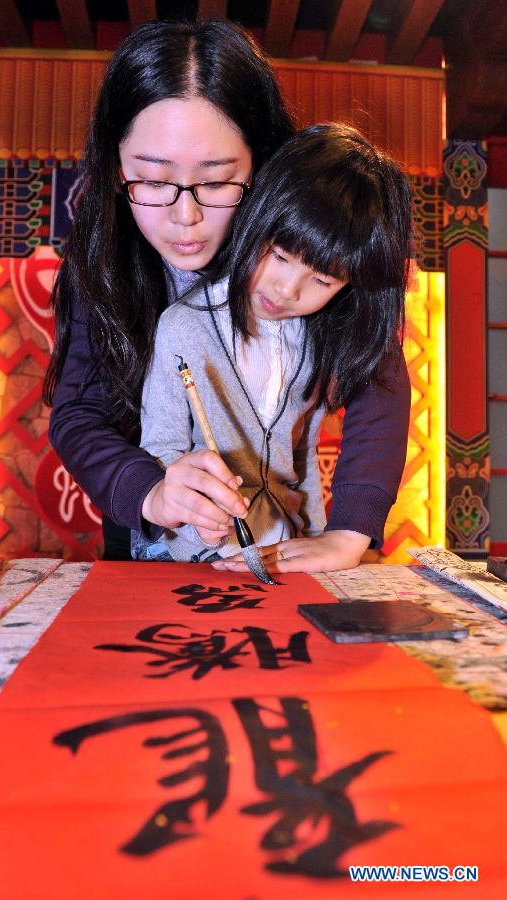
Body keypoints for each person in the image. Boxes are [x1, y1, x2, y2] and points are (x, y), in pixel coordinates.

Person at [44, 20, 411, 572]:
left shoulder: (300, 243)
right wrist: (152, 493)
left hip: (279, 543)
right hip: (153, 547)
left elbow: (376, 382)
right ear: (116, 166)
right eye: (152, 180)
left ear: (262, 165)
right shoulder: (103, 260)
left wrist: (352, 530)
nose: (185, 216)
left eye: (217, 181)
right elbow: (78, 414)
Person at [136, 123, 412, 573]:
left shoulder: (319, 339)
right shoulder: (184, 326)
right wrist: (188, 506)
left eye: (322, 280)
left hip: (283, 549)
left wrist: (329, 538)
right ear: (257, 217)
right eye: (280, 256)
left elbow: (300, 458)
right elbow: (161, 448)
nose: (287, 289)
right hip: (187, 552)